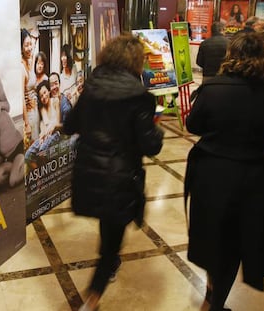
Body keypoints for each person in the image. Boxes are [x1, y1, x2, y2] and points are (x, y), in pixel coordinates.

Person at [185, 32, 264, 311]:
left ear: (231, 55)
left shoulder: (212, 88)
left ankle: (211, 299)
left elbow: (193, 126)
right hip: (255, 178)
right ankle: (214, 303)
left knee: (212, 239)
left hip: (212, 175)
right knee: (234, 244)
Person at [63, 34, 164, 311]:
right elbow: (151, 145)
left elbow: (70, 125)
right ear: (136, 61)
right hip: (119, 178)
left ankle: (107, 269)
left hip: (89, 172)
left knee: (108, 227)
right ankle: (92, 299)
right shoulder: (139, 97)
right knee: (111, 243)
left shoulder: (92, 87)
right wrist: (156, 126)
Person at [21, 29, 40, 145]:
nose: (29, 48)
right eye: (26, 45)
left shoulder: (30, 60)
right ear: (21, 47)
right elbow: (21, 97)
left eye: (30, 44)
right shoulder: (21, 67)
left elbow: (33, 43)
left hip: (35, 110)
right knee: (31, 150)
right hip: (28, 116)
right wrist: (27, 124)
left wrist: (34, 37)